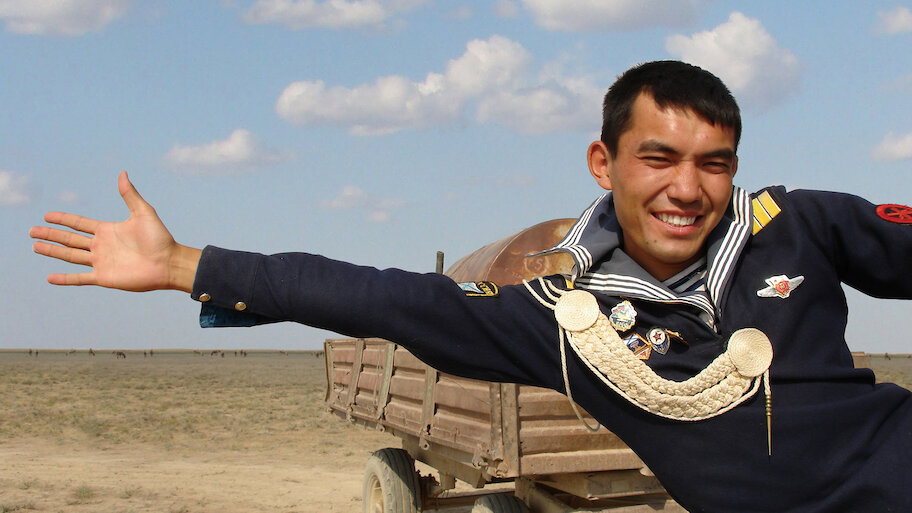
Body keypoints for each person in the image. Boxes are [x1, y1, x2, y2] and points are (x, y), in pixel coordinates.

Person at [30, 60, 912, 512]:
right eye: (659, 158)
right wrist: (184, 265)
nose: (689, 188)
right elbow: (383, 297)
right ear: (604, 162)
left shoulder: (796, 222)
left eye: (714, 163)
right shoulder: (566, 322)